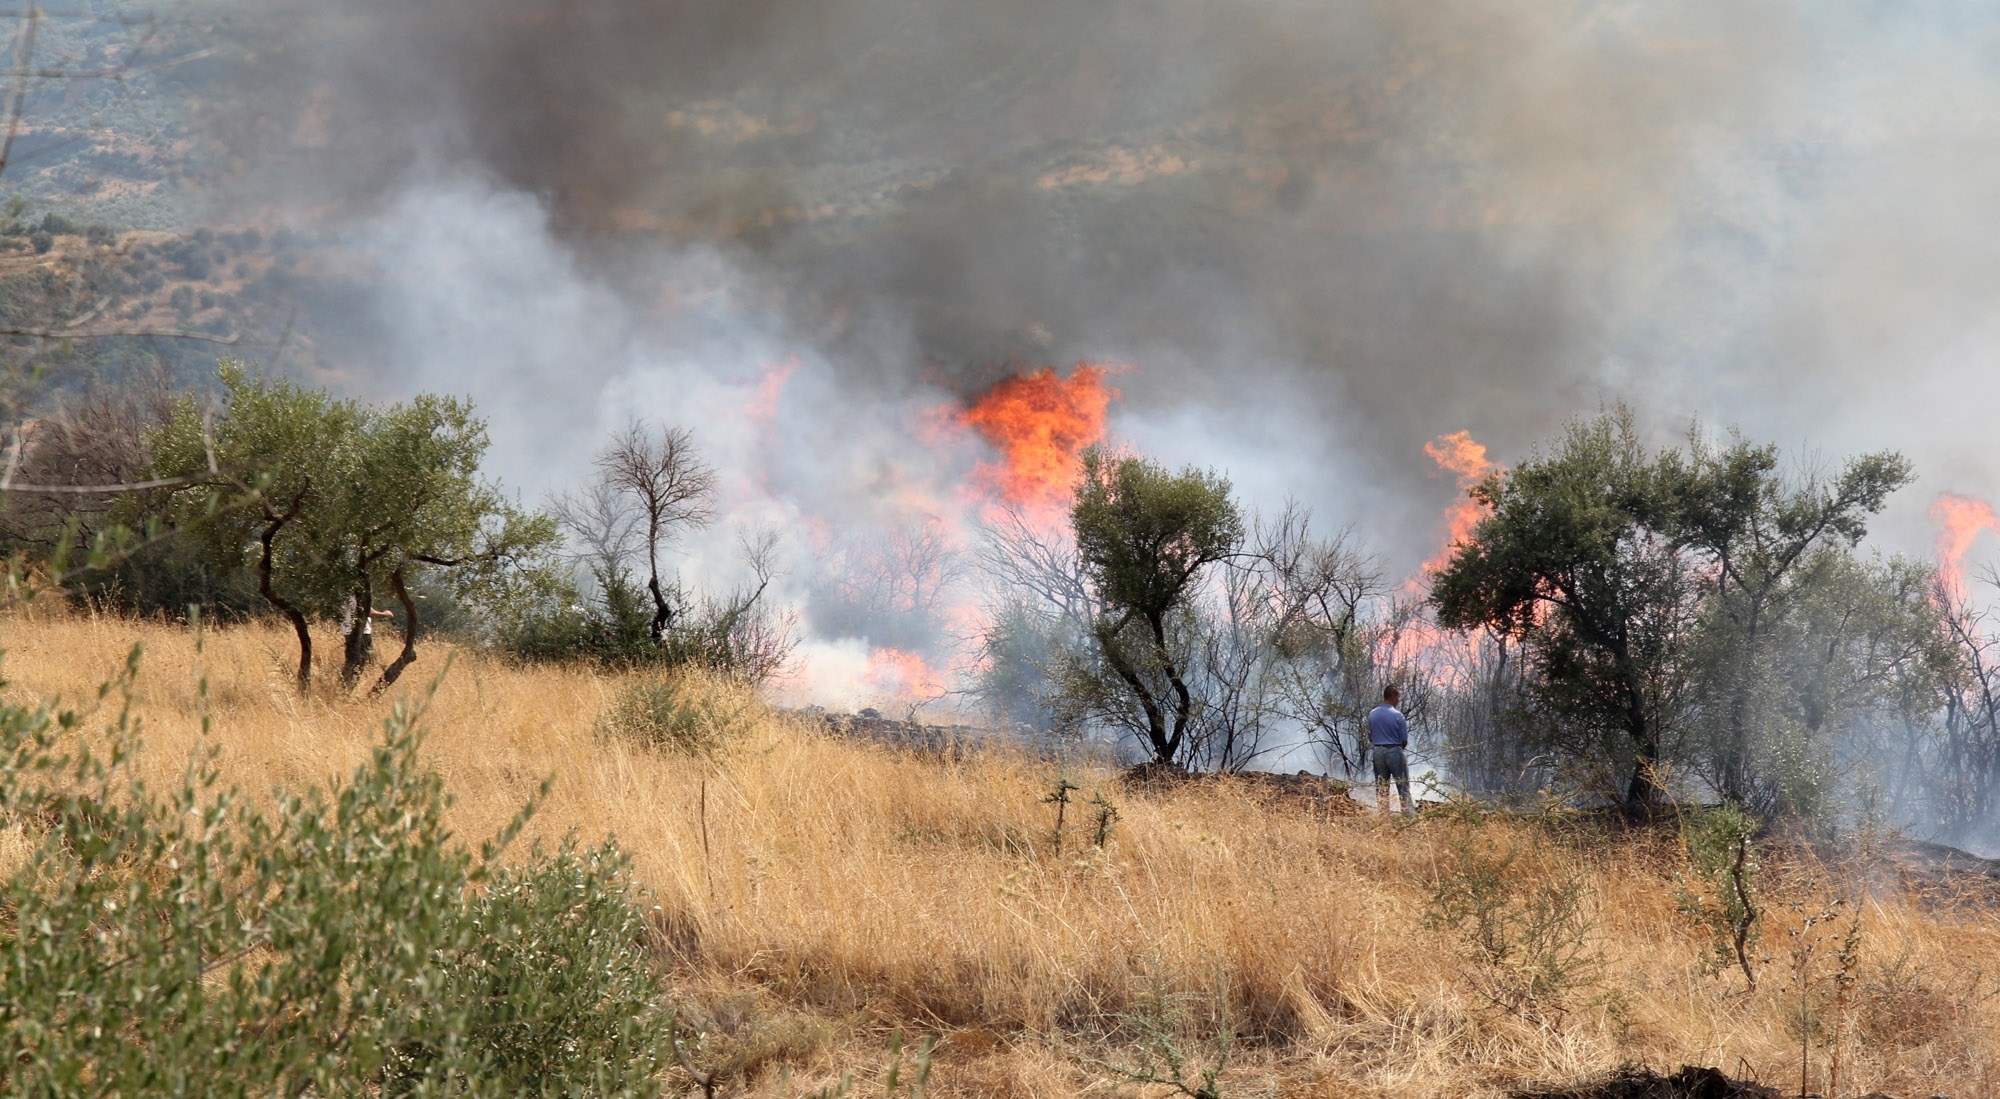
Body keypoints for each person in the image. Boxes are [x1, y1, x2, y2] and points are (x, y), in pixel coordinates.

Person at [1366, 684, 1417, 817]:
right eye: (1398, 697)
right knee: (1402, 785)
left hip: (1377, 752)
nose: (1399, 700)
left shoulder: (1372, 714)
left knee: (1382, 786)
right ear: (1393, 696)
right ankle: (1408, 815)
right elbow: (1404, 740)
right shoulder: (1397, 715)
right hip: (1394, 750)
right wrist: (1398, 750)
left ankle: (1383, 815)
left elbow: (1370, 736)